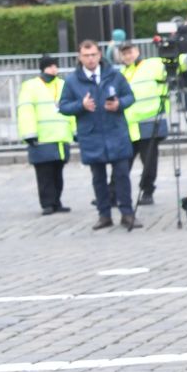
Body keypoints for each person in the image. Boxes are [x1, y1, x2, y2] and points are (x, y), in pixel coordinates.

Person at [58, 38, 137, 231]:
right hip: (92, 135)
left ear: (100, 55)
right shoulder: (72, 80)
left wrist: (119, 104)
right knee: (98, 178)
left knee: (122, 175)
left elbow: (130, 96)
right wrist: (80, 106)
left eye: (93, 55)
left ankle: (127, 213)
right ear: (80, 57)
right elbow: (64, 106)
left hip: (116, 132)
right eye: (86, 56)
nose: (91, 59)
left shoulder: (114, 75)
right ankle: (104, 215)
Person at [16, 56, 74, 215]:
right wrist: (29, 133)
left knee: (58, 173)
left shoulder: (62, 85)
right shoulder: (30, 86)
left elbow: (71, 110)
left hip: (60, 137)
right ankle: (47, 203)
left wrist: (75, 131)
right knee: (44, 174)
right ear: (43, 69)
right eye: (50, 66)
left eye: (55, 66)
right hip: (41, 138)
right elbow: (25, 110)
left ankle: (57, 201)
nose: (54, 69)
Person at [117, 41, 169, 207]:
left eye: (130, 52)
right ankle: (114, 193)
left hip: (149, 123)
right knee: (122, 162)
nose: (128, 56)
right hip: (129, 126)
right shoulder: (121, 73)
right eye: (124, 54)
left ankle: (147, 191)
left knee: (149, 161)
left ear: (137, 51)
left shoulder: (152, 65)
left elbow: (176, 63)